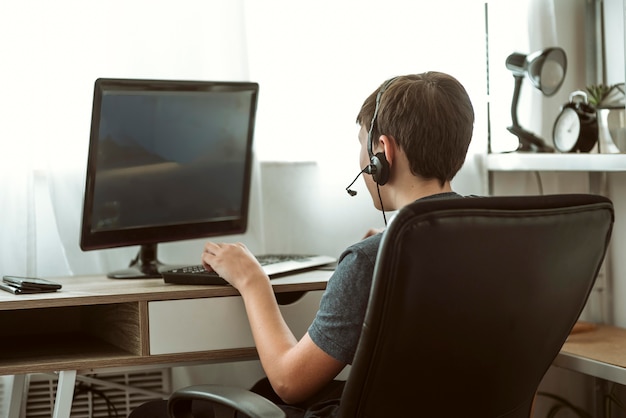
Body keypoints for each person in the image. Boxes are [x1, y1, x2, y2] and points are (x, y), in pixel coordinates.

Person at [129, 71, 475, 417]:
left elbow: (290, 383)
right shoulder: (494, 240)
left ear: (382, 153)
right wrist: (385, 247)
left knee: (152, 413)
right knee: (262, 392)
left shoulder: (369, 262)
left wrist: (252, 281)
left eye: (361, 143)